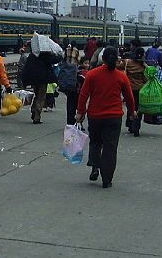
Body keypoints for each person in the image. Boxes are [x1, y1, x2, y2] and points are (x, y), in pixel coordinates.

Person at [75, 47, 137, 189]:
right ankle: (107, 179)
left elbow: (83, 95)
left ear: (102, 59)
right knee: (110, 147)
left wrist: (80, 112)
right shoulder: (122, 76)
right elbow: (129, 97)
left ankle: (95, 167)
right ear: (116, 59)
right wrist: (132, 112)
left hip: (95, 116)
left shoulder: (92, 74)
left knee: (95, 142)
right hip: (114, 117)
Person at [22, 48, 60, 124]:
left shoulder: (32, 55)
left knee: (36, 95)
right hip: (43, 79)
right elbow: (56, 59)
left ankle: (33, 109)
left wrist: (25, 81)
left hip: (34, 79)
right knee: (41, 97)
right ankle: (37, 116)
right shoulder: (45, 55)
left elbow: (27, 68)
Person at [124, 47, 148, 136]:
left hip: (128, 89)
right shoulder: (143, 66)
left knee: (130, 106)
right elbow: (146, 79)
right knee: (138, 109)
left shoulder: (127, 62)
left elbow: (119, 66)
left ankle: (130, 125)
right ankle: (136, 128)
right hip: (140, 90)